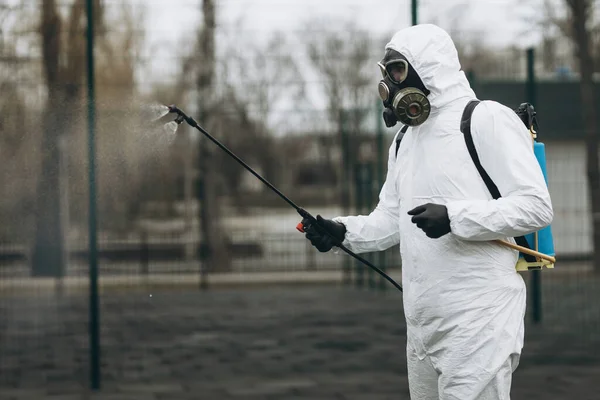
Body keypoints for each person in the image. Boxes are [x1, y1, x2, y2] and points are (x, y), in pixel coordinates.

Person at [304, 24, 553, 400]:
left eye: (398, 70)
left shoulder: (485, 119)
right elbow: (391, 220)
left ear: (429, 67)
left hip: (480, 315)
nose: (389, 82)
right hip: (422, 322)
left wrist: (454, 218)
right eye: (386, 72)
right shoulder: (404, 139)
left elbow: (536, 207)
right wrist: (341, 232)